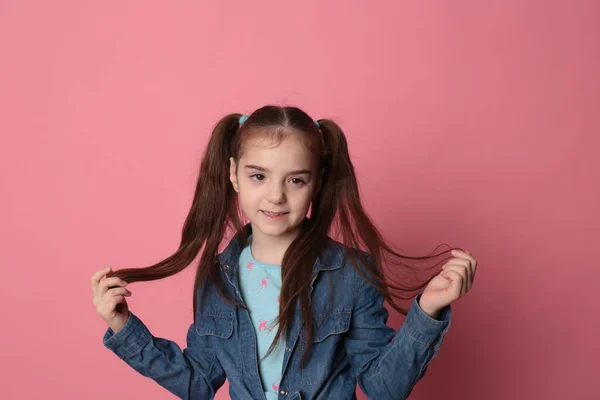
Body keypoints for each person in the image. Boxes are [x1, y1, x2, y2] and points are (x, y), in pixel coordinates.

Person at [90, 105, 478, 400]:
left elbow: (382, 386)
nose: (275, 195)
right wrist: (125, 328)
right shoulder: (218, 276)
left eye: (295, 179)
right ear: (233, 174)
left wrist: (427, 311)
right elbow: (197, 380)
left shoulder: (352, 274)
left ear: (318, 182)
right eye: (258, 176)